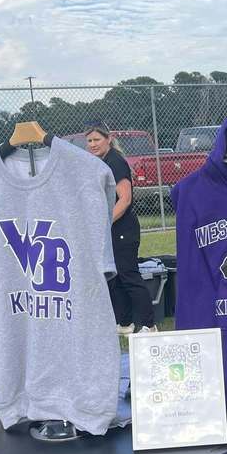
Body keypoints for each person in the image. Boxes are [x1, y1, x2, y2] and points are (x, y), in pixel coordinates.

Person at [85, 124, 156, 334]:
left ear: (108, 139)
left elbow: (124, 200)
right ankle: (125, 323)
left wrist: (105, 222)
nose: (92, 144)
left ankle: (149, 325)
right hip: (111, 232)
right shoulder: (100, 163)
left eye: (97, 139)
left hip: (124, 230)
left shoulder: (115, 162)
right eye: (89, 141)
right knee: (113, 277)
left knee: (129, 276)